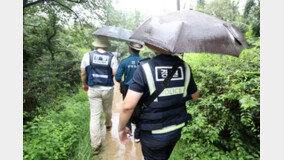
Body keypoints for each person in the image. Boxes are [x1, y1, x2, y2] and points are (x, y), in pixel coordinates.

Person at [118, 43, 200, 160]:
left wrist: (121, 128)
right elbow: (195, 96)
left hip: (152, 134)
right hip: (175, 130)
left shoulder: (145, 67)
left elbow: (128, 106)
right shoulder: (185, 67)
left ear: (154, 46)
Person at [80, 35, 118, 155]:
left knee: (95, 116)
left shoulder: (88, 55)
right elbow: (114, 73)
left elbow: (83, 72)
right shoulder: (112, 57)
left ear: (96, 44)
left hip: (93, 88)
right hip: (107, 89)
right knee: (107, 109)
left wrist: (84, 84)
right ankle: (108, 124)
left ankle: (96, 145)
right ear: (106, 45)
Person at [115, 42, 144, 142]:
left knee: (127, 108)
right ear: (139, 50)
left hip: (127, 88)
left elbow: (118, 77)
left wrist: (122, 82)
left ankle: (128, 132)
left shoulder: (124, 61)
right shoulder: (144, 61)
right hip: (141, 89)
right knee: (140, 109)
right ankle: (138, 135)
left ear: (130, 49)